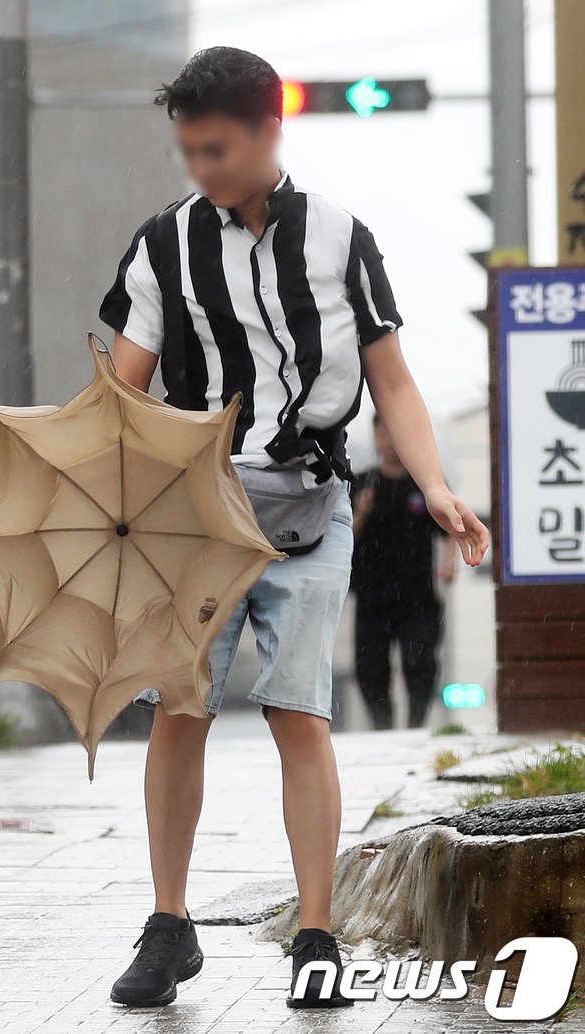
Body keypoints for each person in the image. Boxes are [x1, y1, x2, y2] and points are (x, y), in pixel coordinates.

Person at [97, 47, 489, 1010]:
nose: (201, 168)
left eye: (217, 149)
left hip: (312, 510)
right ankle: (168, 923)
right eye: (188, 151)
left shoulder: (341, 238)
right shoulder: (163, 245)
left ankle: (318, 934)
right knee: (179, 714)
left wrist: (435, 485)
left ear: (271, 130)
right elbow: (124, 389)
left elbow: (390, 379)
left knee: (299, 716)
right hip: (195, 523)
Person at [351, 413, 456, 729]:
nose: (390, 441)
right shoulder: (360, 483)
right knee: (370, 669)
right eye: (383, 433)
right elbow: (342, 537)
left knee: (420, 663)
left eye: (395, 433)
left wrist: (448, 566)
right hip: (372, 595)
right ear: (375, 437)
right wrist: (362, 513)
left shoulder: (427, 484)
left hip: (417, 594)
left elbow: (450, 529)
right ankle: (382, 728)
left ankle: (416, 726)